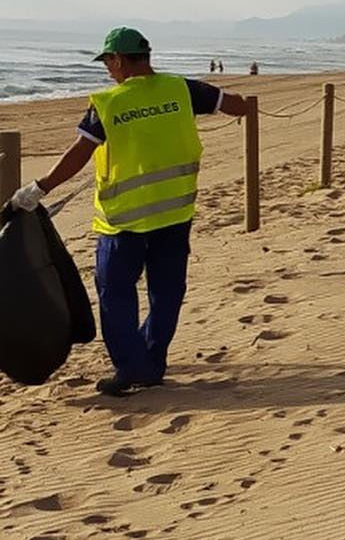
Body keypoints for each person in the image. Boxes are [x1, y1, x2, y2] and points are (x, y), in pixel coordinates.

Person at [6, 27, 249, 397]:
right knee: (166, 294)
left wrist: (40, 188)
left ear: (119, 60)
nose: (107, 70)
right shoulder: (182, 89)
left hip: (123, 223)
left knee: (117, 295)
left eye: (107, 62)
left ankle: (130, 368)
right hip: (175, 215)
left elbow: (78, 153)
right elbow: (236, 105)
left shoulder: (109, 103)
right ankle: (151, 364)